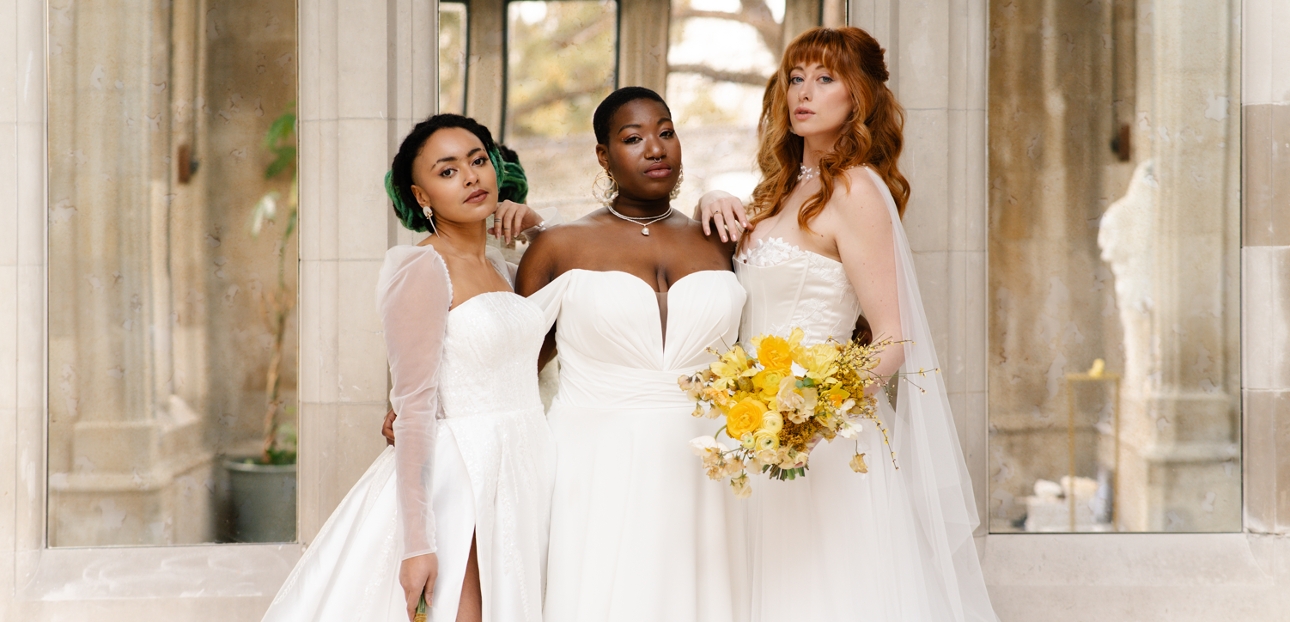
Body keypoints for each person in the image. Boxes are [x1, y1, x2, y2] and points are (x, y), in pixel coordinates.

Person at [698, 27, 1000, 621]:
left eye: (825, 78)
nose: (803, 92)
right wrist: (710, 198)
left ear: (857, 96)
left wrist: (808, 412)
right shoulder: (779, 188)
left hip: (824, 438)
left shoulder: (856, 188)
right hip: (755, 431)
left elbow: (891, 337)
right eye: (795, 78)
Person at [262, 114, 555, 622]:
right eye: (447, 171)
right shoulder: (422, 268)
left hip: (525, 462)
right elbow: (414, 408)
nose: (470, 177)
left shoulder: (506, 272)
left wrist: (535, 226)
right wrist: (416, 544)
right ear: (422, 197)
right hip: (463, 471)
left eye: (479, 160)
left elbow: (546, 338)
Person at [516, 86, 748, 622]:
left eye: (666, 133)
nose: (655, 148)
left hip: (710, 461)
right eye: (633, 138)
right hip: (593, 461)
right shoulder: (558, 245)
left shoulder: (724, 239)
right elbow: (516, 361)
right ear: (604, 155)